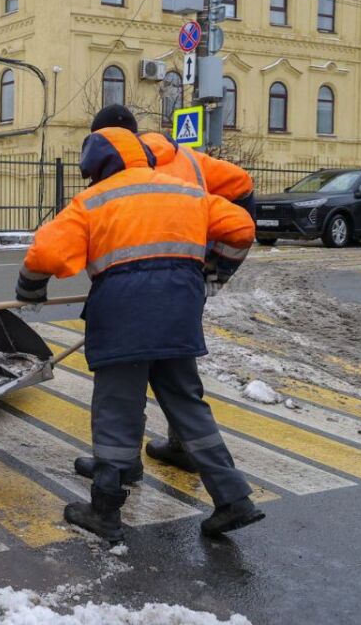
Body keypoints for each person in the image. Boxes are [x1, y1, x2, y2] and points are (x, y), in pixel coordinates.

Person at [16, 127, 263, 541]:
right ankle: (233, 497)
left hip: (122, 316)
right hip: (179, 313)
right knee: (187, 404)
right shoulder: (184, 191)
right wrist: (216, 271)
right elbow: (241, 226)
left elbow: (46, 253)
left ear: (96, 167)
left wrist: (30, 289)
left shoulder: (92, 201)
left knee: (117, 408)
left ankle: (105, 510)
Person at [77, 105, 253, 476]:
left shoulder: (119, 166)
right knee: (177, 370)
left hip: (133, 286)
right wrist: (217, 266)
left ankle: (119, 465)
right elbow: (242, 188)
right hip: (187, 278)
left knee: (127, 374)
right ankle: (183, 447)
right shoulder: (187, 157)